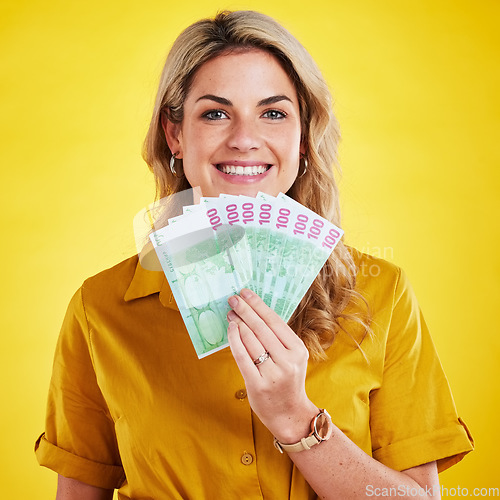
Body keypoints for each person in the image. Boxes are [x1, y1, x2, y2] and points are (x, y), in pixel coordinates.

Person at [35, 10, 473, 499]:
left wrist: (295, 417)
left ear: (304, 137)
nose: (245, 139)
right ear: (175, 134)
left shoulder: (382, 294)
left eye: (273, 113)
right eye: (216, 113)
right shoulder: (100, 310)